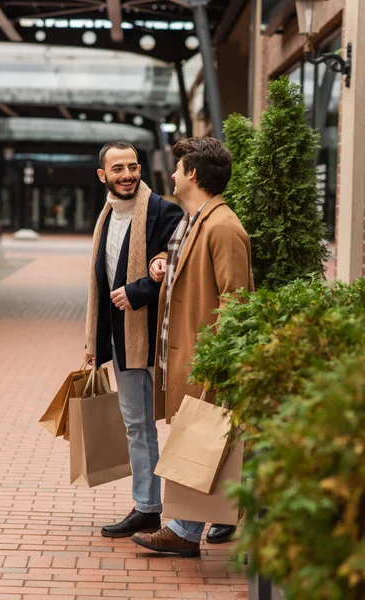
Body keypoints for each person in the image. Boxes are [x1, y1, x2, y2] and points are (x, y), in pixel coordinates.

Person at [131, 137, 255, 557]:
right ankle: (191, 526)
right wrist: (160, 265)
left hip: (205, 358)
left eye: (181, 166)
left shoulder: (223, 226)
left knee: (203, 442)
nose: (174, 172)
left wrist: (217, 363)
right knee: (196, 441)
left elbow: (236, 300)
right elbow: (183, 266)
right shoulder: (193, 220)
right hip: (186, 353)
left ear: (194, 174)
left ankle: (185, 530)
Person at [84, 141, 183, 537]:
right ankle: (148, 507)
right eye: (118, 169)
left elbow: (175, 268)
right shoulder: (106, 216)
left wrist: (139, 290)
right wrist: (94, 341)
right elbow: (101, 280)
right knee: (136, 425)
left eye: (132, 167)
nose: (127, 175)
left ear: (140, 168)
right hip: (121, 339)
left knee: (175, 423)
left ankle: (167, 509)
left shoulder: (163, 211)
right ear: (102, 175)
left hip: (155, 337)